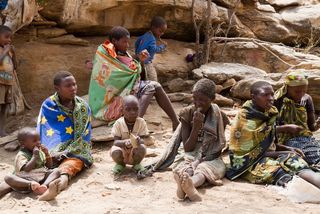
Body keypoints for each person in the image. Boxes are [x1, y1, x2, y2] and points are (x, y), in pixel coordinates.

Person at [227, 81, 320, 188]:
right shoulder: (245, 118)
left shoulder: (271, 112)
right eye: (265, 95)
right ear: (253, 97)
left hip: (269, 154)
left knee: (298, 164)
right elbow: (250, 153)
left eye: (272, 94)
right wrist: (284, 131)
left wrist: (288, 149)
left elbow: (270, 143)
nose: (271, 98)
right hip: (249, 163)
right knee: (278, 172)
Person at [88, 26, 179, 130]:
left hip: (126, 90)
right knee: (151, 87)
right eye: (124, 42)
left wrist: (140, 61)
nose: (127, 45)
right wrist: (136, 67)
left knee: (156, 86)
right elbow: (114, 78)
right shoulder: (104, 54)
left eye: (128, 42)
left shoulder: (122, 53)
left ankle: (175, 121)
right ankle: (134, 126)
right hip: (110, 101)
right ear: (114, 41)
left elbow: (134, 74)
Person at [37, 71, 92, 193]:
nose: (73, 88)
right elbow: (45, 133)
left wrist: (66, 152)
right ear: (57, 88)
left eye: (74, 84)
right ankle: (37, 184)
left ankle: (59, 184)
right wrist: (54, 152)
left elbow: (84, 136)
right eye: (68, 86)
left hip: (77, 149)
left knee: (73, 163)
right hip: (53, 150)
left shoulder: (83, 106)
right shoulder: (48, 105)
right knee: (38, 161)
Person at [274, 70, 320, 169]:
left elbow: (311, 128)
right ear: (287, 87)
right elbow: (269, 128)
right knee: (308, 152)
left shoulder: (307, 99)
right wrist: (286, 128)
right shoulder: (277, 100)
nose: (301, 94)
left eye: (304, 91)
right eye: (297, 91)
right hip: (285, 141)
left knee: (315, 148)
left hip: (306, 138)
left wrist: (317, 125)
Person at [4, 127, 61, 201]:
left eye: (39, 140)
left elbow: (49, 166)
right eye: (34, 141)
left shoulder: (39, 152)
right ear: (23, 144)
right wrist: (34, 156)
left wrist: (47, 154)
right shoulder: (21, 155)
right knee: (8, 177)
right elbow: (27, 169)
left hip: (40, 179)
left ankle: (43, 186)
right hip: (25, 181)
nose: (38, 142)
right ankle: (32, 184)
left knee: (56, 171)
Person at [110, 95, 149, 177]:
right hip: (122, 150)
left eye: (136, 109)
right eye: (128, 109)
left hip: (135, 150)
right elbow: (116, 142)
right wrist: (124, 142)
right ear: (122, 110)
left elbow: (144, 140)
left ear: (139, 109)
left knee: (142, 147)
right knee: (115, 151)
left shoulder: (141, 122)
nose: (132, 112)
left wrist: (139, 140)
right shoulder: (118, 123)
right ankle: (120, 164)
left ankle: (136, 164)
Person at [135, 16, 167, 82]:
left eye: (163, 32)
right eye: (160, 31)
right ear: (153, 28)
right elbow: (154, 49)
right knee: (153, 79)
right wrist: (162, 47)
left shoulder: (145, 35)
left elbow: (137, 42)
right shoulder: (152, 39)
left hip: (138, 61)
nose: (161, 34)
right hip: (146, 62)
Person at [0, 25, 14, 136]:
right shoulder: (3, 50)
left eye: (10, 38)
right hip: (0, 83)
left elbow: (15, 66)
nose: (9, 40)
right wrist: (5, 51)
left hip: (8, 82)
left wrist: (13, 54)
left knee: (5, 106)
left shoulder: (8, 50)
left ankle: (1, 129)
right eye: (6, 37)